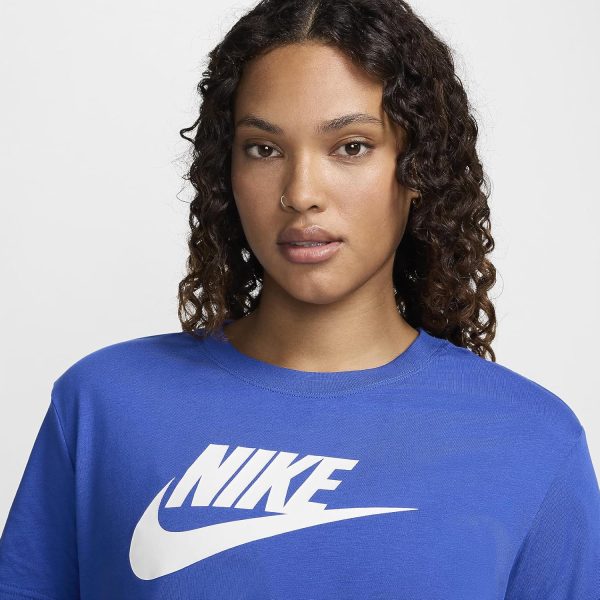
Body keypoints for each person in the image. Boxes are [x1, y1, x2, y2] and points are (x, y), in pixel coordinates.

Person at [1, 0, 599, 597]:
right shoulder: (104, 405)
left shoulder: (532, 441)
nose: (301, 192)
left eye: (351, 146)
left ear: (417, 168)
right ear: (226, 171)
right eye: (264, 148)